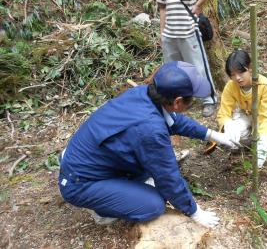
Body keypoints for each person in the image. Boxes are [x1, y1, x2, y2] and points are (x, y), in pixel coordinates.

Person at [58, 61, 238, 228]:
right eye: (191, 100)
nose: (192, 103)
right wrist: (195, 212)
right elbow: (168, 178)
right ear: (177, 102)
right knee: (153, 205)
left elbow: (176, 122)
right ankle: (101, 210)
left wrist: (213, 135)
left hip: (88, 159)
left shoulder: (144, 94)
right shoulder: (150, 129)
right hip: (80, 182)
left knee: (149, 173)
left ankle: (113, 185)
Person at [154, 0, 220, 117]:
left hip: (189, 30)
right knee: (174, 70)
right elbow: (162, 6)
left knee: (198, 67)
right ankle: (183, 101)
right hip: (170, 34)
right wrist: (162, 32)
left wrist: (199, 5)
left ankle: (209, 99)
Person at [216, 50, 267, 168]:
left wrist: (263, 139)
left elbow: (266, 117)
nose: (237, 78)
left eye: (241, 72)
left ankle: (258, 139)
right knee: (233, 137)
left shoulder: (264, 85)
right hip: (244, 112)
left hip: (263, 115)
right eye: (232, 74)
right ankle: (251, 138)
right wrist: (227, 125)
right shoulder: (231, 86)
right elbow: (223, 113)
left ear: (250, 68)